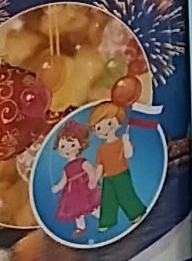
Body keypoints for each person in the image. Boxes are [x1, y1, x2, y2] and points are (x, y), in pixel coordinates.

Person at [87, 102, 146, 234]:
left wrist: (126, 141)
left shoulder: (121, 141)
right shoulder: (101, 149)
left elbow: (128, 154)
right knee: (108, 200)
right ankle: (106, 221)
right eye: (99, 128)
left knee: (126, 194)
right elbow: (100, 165)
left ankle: (136, 213)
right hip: (107, 178)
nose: (105, 130)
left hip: (121, 173)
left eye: (109, 123)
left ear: (118, 122)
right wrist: (95, 178)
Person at [50, 121, 98, 239]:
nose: (67, 149)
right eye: (62, 146)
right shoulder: (66, 167)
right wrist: (58, 187)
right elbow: (64, 180)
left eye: (72, 145)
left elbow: (91, 171)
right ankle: (81, 227)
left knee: (92, 207)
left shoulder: (82, 161)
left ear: (81, 145)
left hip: (84, 188)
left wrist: (92, 181)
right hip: (72, 193)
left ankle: (103, 216)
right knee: (77, 212)